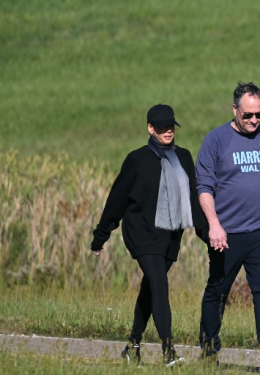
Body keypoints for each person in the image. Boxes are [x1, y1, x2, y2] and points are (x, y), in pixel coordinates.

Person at [91, 104, 208, 367]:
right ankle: (168, 353)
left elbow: (192, 201)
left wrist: (210, 235)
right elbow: (117, 200)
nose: (168, 131)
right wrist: (101, 235)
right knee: (160, 287)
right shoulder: (137, 159)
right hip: (141, 232)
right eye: (162, 126)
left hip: (169, 236)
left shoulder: (184, 158)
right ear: (150, 128)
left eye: (171, 126)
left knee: (150, 288)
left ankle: (132, 346)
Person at [195, 82, 260, 371]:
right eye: (248, 115)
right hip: (225, 234)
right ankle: (207, 353)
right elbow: (203, 186)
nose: (254, 120)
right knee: (217, 292)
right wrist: (214, 225)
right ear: (235, 110)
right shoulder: (216, 140)